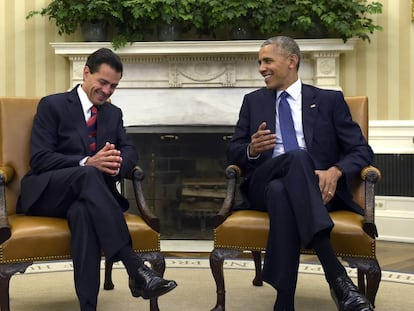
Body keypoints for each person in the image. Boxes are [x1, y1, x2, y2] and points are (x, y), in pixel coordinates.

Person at [17, 48, 177, 311]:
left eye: (113, 86)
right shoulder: (52, 105)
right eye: (102, 82)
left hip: (88, 198)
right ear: (86, 73)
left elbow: (130, 152)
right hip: (47, 193)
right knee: (89, 174)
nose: (107, 91)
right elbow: (40, 158)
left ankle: (88, 306)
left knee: (83, 214)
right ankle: (134, 266)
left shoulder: (113, 114)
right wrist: (86, 163)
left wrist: (114, 166)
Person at [227, 36, 374, 311]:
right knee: (297, 157)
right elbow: (233, 152)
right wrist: (252, 149)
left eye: (268, 60)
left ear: (292, 61)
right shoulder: (253, 101)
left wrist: (336, 170)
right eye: (260, 62)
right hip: (262, 182)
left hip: (309, 189)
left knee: (283, 192)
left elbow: (361, 150)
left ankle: (284, 303)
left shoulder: (329, 101)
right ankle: (337, 277)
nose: (261, 68)